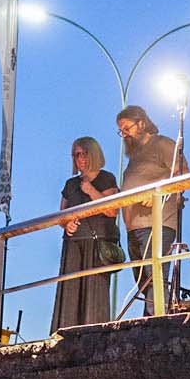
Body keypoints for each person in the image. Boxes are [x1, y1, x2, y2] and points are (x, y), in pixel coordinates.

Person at [116, 105, 189, 306]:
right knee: (144, 283)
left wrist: (159, 190)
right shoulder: (134, 158)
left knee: (156, 279)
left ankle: (157, 323)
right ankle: (152, 319)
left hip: (157, 224)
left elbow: (183, 172)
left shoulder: (161, 144)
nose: (124, 134)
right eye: (120, 131)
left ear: (141, 123)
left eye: (127, 128)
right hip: (134, 229)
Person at [52, 137, 121, 332]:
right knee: (70, 292)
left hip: (96, 243)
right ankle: (66, 334)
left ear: (94, 154)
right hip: (73, 243)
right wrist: (67, 224)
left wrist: (91, 190)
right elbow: (60, 214)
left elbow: (112, 210)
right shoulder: (70, 184)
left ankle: (95, 334)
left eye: (84, 154)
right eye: (76, 155)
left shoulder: (106, 178)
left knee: (95, 293)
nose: (80, 159)